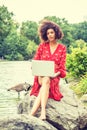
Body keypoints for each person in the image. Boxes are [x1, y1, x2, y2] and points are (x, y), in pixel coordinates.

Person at [30, 20, 67, 120]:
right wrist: (37, 70)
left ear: (56, 33)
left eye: (52, 32)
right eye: (48, 33)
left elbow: (63, 69)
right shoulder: (42, 46)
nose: (50, 35)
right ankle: (42, 113)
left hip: (53, 78)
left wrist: (55, 75)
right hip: (40, 77)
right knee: (45, 78)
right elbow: (35, 62)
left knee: (47, 79)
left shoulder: (62, 48)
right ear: (45, 35)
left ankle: (32, 114)